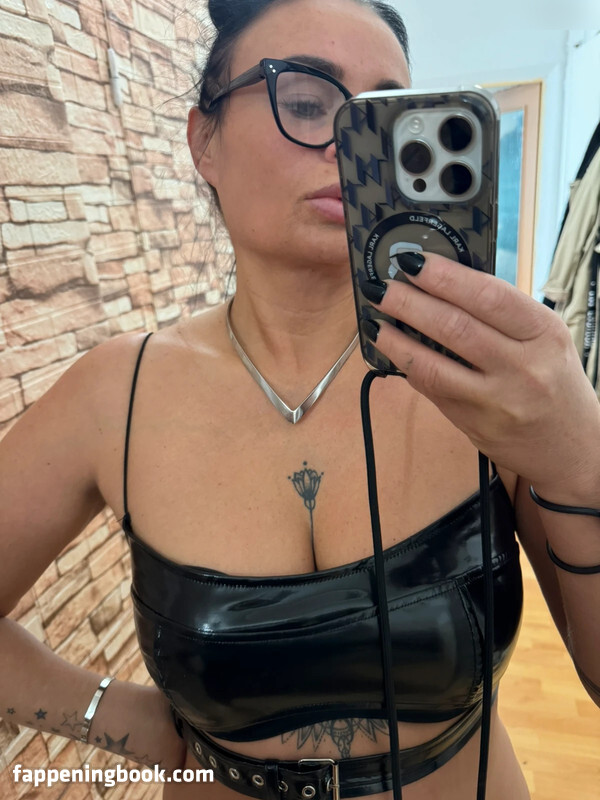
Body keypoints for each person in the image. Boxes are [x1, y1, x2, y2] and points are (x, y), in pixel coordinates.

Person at [1, 0, 599, 799]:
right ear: (203, 142)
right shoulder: (117, 394)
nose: (351, 145)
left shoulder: (492, 378)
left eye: (381, 115)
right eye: (309, 102)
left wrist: (582, 458)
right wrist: (119, 717)